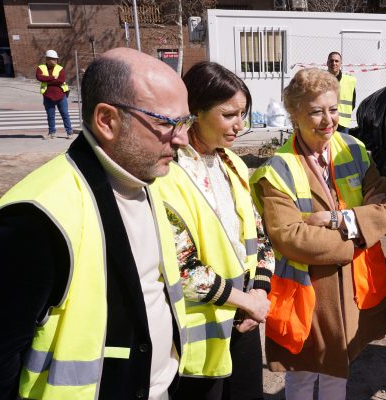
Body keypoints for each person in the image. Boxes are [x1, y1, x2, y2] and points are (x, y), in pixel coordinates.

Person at [0, 48, 206, 399]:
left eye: (185, 122)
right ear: (107, 120)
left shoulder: (142, 183)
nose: (182, 139)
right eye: (165, 123)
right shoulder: (36, 219)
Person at [250, 68, 386, 399]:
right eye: (316, 111)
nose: (328, 120)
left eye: (332, 109)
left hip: (350, 288)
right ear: (295, 114)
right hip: (307, 293)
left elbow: (385, 204)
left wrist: (336, 219)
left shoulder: (353, 149)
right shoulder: (278, 169)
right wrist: (356, 241)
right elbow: (289, 236)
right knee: (302, 375)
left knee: (338, 371)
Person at [165, 61, 273, 400]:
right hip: (199, 331)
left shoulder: (232, 162)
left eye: (244, 113)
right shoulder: (169, 172)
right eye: (229, 115)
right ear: (195, 111)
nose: (240, 125)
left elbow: (260, 237)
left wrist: (259, 293)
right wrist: (246, 302)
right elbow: (181, 268)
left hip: (244, 319)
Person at [37, 49, 74, 139]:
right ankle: (51, 133)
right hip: (47, 96)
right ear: (47, 59)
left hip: (61, 96)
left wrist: (47, 79)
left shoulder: (60, 69)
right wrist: (53, 78)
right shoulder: (41, 68)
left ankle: (69, 132)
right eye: (52, 59)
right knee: (50, 116)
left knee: (65, 114)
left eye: (55, 59)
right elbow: (39, 77)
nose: (55, 61)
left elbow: (61, 80)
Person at [326, 51, 356, 133]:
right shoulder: (320, 80)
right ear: (327, 63)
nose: (334, 63)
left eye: (336, 61)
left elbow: (352, 103)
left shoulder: (349, 81)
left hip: (342, 124)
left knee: (342, 145)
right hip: (325, 122)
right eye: (331, 61)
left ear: (340, 64)